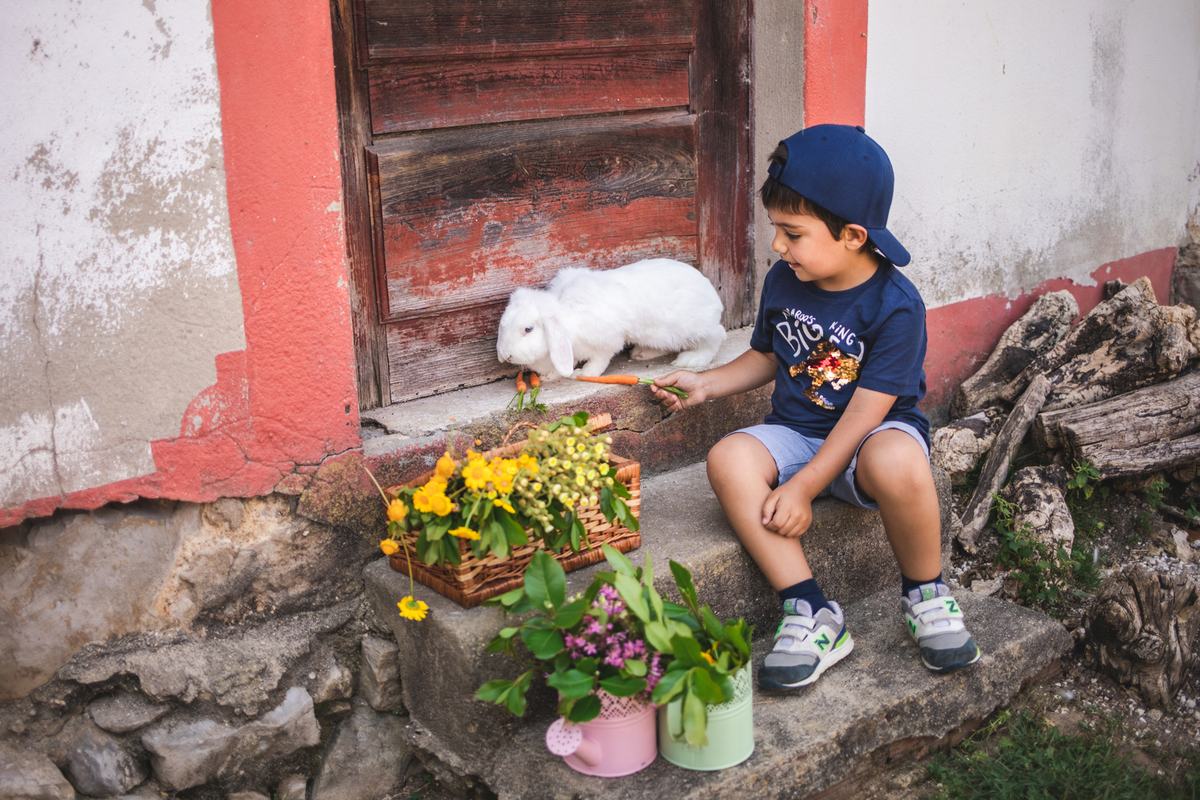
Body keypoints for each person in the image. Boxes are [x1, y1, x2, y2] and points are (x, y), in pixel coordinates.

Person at [649, 124, 981, 690]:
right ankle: (811, 612)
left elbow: (863, 414)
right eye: (776, 230)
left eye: (792, 233)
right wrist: (707, 384)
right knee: (729, 458)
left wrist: (802, 488)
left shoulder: (896, 306)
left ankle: (927, 594)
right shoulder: (788, 278)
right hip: (796, 432)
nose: (777, 246)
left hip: (874, 435)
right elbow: (767, 357)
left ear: (852, 235)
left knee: (899, 461)